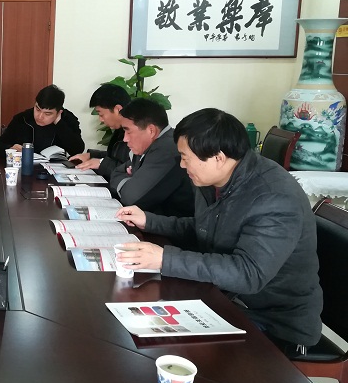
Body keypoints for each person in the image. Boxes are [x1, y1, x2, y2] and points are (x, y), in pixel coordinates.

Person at [115, 108, 323, 354]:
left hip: (273, 323)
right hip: (225, 298)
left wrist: (164, 258)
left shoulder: (273, 197)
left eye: (185, 157)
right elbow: (204, 227)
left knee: (162, 350)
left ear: (218, 158)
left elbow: (248, 274)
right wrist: (150, 221)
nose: (181, 165)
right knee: (135, 328)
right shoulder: (214, 179)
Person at [109, 98, 194, 217]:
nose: (125, 139)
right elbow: (117, 172)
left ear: (151, 131)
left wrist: (132, 181)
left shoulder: (167, 149)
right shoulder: (151, 146)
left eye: (128, 132)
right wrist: (131, 181)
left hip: (174, 225)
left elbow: (131, 198)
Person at [0, 84, 85, 159]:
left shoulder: (68, 120)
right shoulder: (23, 118)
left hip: (55, 172)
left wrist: (59, 124)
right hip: (25, 169)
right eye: (37, 109)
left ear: (59, 112)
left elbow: (77, 150)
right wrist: (10, 148)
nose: (40, 116)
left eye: (47, 114)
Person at [69, 83, 131, 181]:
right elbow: (114, 156)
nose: (101, 120)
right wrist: (91, 156)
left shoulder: (136, 133)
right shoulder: (120, 130)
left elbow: (131, 171)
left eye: (101, 114)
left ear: (118, 109)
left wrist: (101, 163)